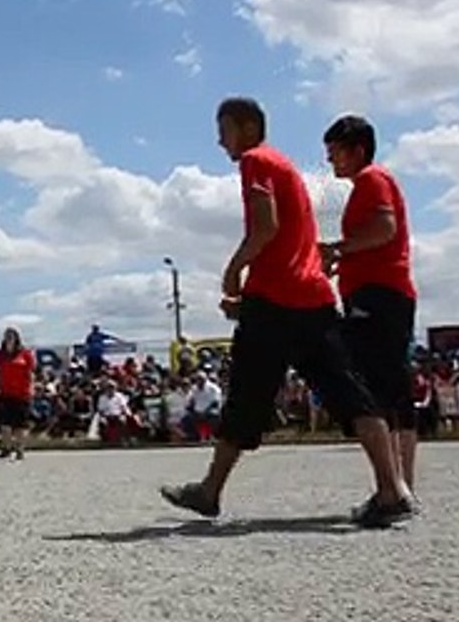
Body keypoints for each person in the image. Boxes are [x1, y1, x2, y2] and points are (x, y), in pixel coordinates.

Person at [160, 97, 414, 528]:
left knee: (246, 396)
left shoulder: (256, 162)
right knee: (351, 394)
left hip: (275, 299)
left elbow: (266, 226)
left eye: (223, 129)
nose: (219, 140)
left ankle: (209, 492)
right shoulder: (285, 166)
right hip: (313, 297)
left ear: (245, 126)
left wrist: (234, 271)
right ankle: (392, 489)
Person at [317, 115, 420, 502]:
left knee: (377, 387)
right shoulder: (372, 182)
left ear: (357, 150)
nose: (331, 162)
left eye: (335, 153)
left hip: (378, 295)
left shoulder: (371, 180)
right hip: (383, 291)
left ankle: (395, 486)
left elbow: (384, 229)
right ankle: (401, 482)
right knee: (391, 385)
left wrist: (338, 249)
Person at [0, 327, 35, 461]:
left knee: (20, 425)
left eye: (11, 337)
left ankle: (20, 450)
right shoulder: (1, 355)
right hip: (6, 393)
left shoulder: (25, 354)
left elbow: (32, 371)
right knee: (5, 424)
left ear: (16, 338)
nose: (8, 339)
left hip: (22, 394)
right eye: (6, 337)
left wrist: (31, 388)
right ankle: (6, 448)